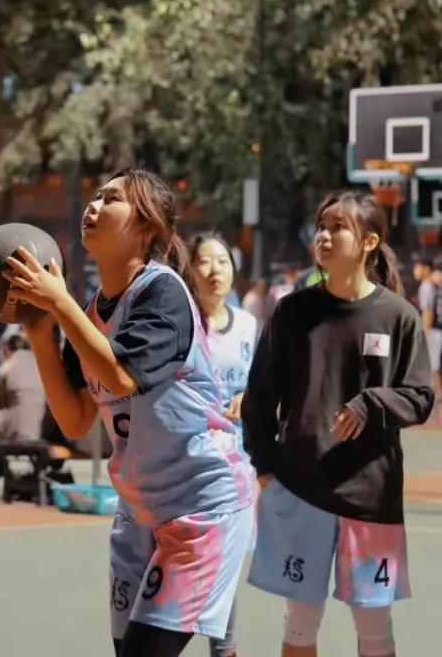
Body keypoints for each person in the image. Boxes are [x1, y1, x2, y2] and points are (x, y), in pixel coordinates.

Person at [7, 168, 255, 657]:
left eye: (112, 199)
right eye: (96, 195)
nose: (94, 205)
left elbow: (120, 376)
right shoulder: (89, 313)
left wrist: (58, 303)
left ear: (145, 227)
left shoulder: (163, 292)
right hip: (139, 511)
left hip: (201, 502)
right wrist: (40, 334)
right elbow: (75, 420)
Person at [242, 189, 434, 657]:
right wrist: (265, 466)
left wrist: (372, 403)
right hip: (300, 488)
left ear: (369, 242)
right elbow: (260, 396)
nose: (324, 237)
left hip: (370, 494)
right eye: (321, 228)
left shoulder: (399, 316)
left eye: (338, 227)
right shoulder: (292, 312)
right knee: (299, 625)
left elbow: (420, 397)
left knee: (374, 626)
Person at [188, 232, 258, 657]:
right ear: (189, 269)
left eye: (224, 262)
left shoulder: (248, 324)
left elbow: (265, 386)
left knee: (226, 573)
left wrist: (250, 397)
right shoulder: (180, 325)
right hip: (187, 466)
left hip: (236, 467)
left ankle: (224, 650)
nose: (215, 271)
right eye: (205, 261)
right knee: (184, 572)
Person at [0, 331, 48, 498]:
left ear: (5, 350)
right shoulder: (42, 365)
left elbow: (0, 404)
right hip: (44, 431)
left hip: (19, 431)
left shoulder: (5, 368)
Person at [418, 257, 442, 404]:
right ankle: (438, 392)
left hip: (431, 329)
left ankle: (438, 393)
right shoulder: (433, 284)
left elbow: (428, 311)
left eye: (418, 267)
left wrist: (424, 330)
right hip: (437, 330)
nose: (416, 270)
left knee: (431, 364)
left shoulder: (426, 285)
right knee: (432, 363)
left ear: (426, 268)